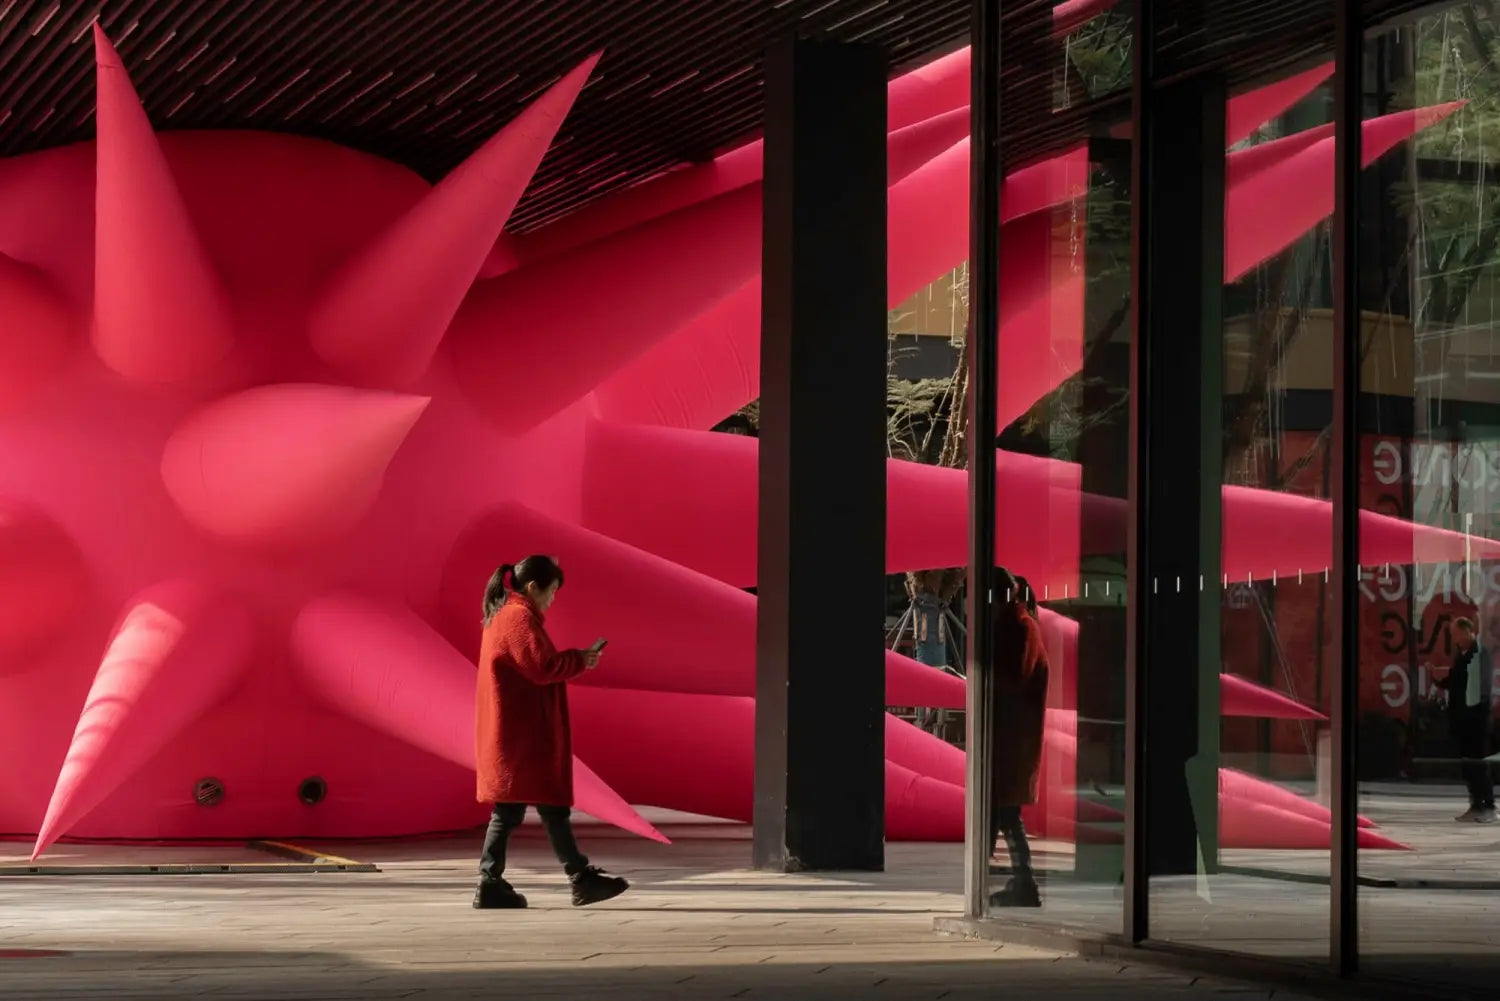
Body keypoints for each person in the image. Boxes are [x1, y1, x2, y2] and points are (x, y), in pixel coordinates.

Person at [472, 555, 630, 908]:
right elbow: (542, 667)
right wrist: (578, 659)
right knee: (546, 807)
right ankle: (578, 878)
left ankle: (493, 881)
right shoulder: (518, 618)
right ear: (533, 587)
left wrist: (575, 660)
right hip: (525, 734)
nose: (552, 600)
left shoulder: (505, 615)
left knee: (512, 811)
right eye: (552, 591)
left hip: (516, 732)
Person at [988, 569, 1050, 908]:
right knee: (1002, 813)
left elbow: (1010, 681)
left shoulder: (1020, 629)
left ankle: (1024, 882)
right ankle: (1020, 882)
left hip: (1013, 743)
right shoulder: (1015, 626)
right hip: (1008, 741)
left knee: (1007, 813)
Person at [1435, 617, 1495, 824]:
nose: (1454, 639)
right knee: (1468, 764)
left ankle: (1488, 805)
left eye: (1455, 634)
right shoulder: (1463, 655)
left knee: (1477, 763)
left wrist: (1474, 714)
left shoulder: (1479, 654)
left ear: (1466, 631)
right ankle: (1476, 803)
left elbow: (1481, 688)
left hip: (1475, 721)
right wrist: (1437, 679)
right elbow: (1456, 682)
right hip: (1463, 721)